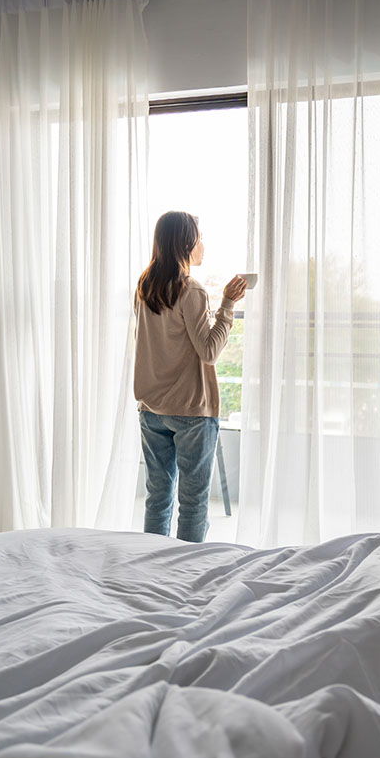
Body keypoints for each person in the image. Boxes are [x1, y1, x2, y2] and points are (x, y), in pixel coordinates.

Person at [133, 211, 246, 542]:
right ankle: (185, 578)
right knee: (194, 504)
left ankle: (152, 565)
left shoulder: (145, 286)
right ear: (186, 243)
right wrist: (227, 305)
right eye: (199, 237)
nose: (202, 244)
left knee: (157, 498)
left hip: (151, 408)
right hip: (190, 412)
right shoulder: (191, 290)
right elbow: (209, 351)